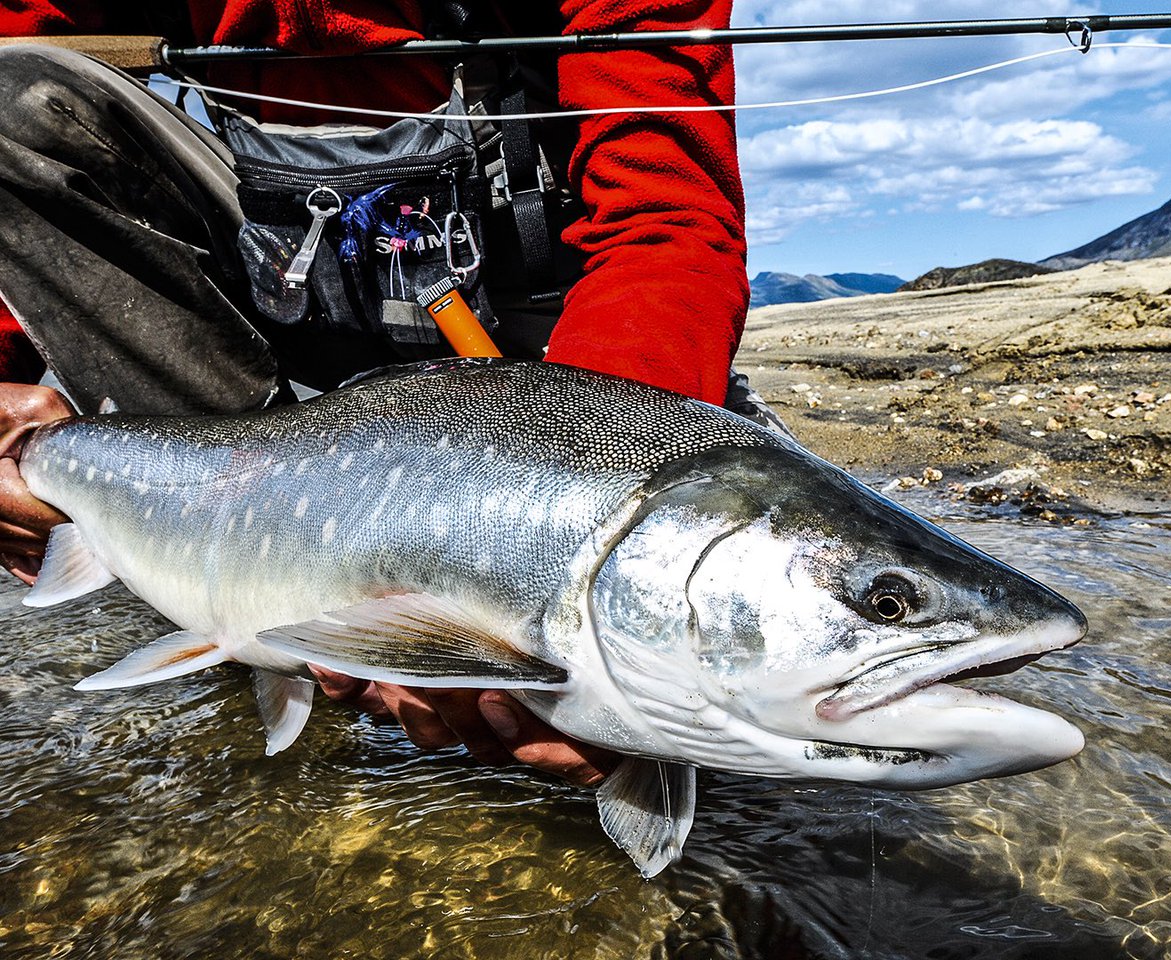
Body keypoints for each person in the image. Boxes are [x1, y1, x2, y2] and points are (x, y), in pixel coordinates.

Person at [0, 1, 749, 786]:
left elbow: (665, 221)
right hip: (284, 293)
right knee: (15, 95)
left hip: (544, 344)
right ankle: (235, 571)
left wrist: (558, 558)